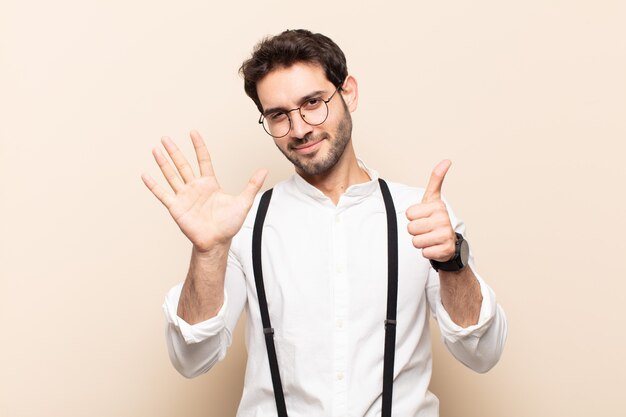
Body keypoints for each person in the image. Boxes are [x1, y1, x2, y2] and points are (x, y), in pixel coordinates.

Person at [141, 29, 507, 417]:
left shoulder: (420, 212)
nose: (299, 129)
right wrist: (208, 253)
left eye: (313, 102)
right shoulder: (244, 224)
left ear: (348, 93)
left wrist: (451, 261)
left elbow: (482, 353)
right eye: (278, 115)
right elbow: (190, 358)